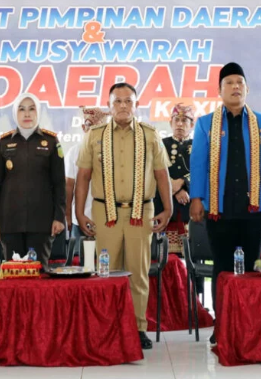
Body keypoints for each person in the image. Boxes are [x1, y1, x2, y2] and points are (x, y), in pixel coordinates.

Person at [189, 62, 261, 345]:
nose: (235, 87)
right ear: (219, 91)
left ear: (247, 89)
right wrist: (197, 199)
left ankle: (248, 326)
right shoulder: (205, 124)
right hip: (218, 209)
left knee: (251, 268)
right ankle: (222, 325)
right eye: (229, 83)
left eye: (239, 82)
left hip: (253, 209)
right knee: (221, 267)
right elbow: (198, 164)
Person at [76, 83, 173, 350]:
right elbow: (83, 177)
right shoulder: (94, 136)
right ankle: (107, 328)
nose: (122, 106)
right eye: (117, 101)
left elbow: (161, 174)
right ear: (109, 106)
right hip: (103, 212)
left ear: (136, 105)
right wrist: (78, 212)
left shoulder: (150, 135)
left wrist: (168, 209)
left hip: (140, 212)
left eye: (128, 101)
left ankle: (138, 328)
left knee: (138, 272)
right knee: (106, 273)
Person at [0, 93, 66, 269]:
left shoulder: (51, 142)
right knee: (13, 276)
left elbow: (59, 183)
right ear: (15, 113)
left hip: (42, 223)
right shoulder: (3, 142)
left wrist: (59, 217)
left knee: (38, 275)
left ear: (38, 112)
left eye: (32, 109)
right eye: (21, 109)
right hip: (9, 223)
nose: (27, 114)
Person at [154, 103, 194, 254]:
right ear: (170, 123)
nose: (180, 124)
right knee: (163, 255)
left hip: (189, 207)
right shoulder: (160, 145)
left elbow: (204, 172)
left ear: (192, 125)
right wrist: (174, 189)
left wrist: (184, 181)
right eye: (176, 120)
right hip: (164, 205)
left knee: (190, 254)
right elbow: (152, 172)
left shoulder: (198, 146)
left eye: (184, 120)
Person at [65, 106, 109, 241]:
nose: (93, 131)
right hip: (80, 219)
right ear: (84, 128)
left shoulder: (113, 151)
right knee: (80, 254)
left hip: (108, 220)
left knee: (107, 254)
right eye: (90, 126)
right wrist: (68, 215)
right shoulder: (74, 152)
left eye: (98, 127)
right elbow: (68, 186)